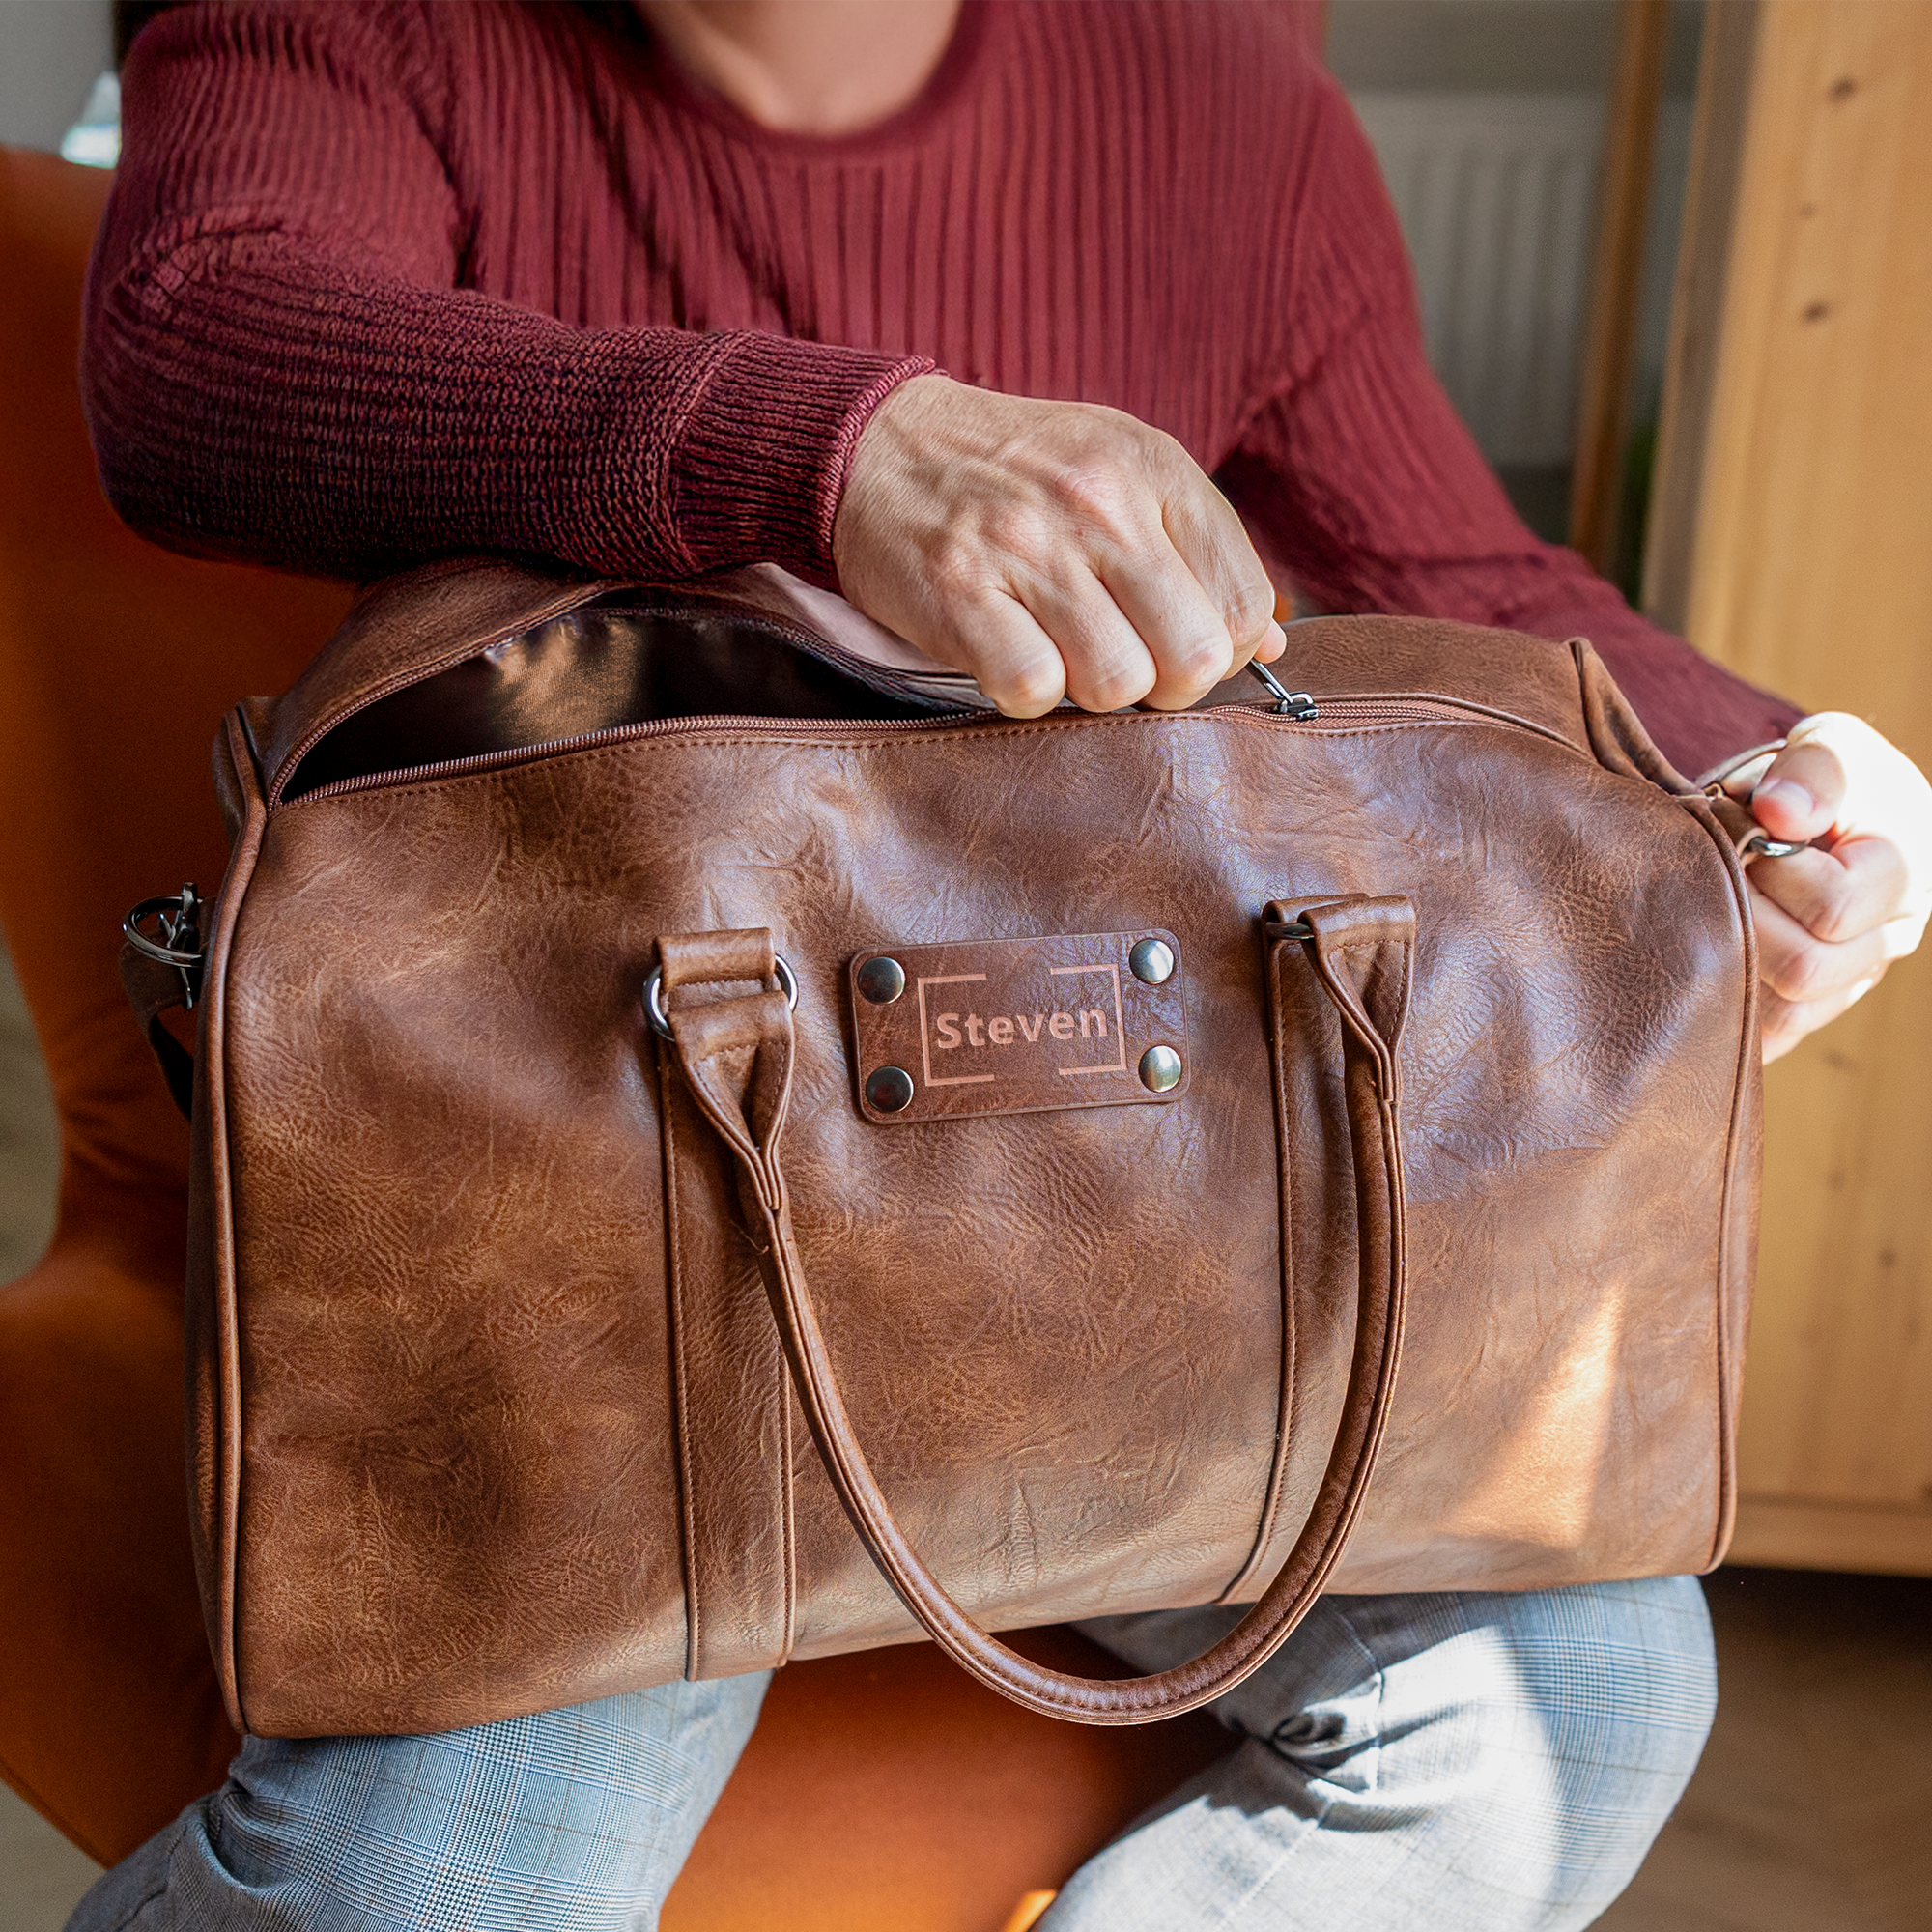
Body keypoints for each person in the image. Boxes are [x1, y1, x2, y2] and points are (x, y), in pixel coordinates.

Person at [72, 4, 1932, 1928]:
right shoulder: (361, 24)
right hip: (596, 1245)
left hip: (1126, 1214)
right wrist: (840, 455)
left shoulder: (1212, 80)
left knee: (1581, 1708)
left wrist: (1774, 774)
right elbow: (200, 342)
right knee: (422, 1893)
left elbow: (1458, 581)